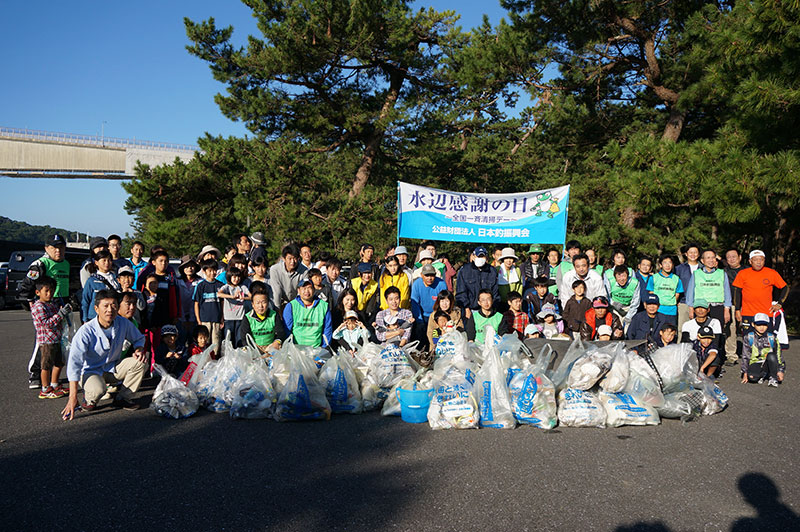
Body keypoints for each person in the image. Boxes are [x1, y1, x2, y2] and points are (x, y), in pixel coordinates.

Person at [62, 289, 148, 418]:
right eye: (105, 306)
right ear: (96, 309)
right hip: (90, 370)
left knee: (141, 361)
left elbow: (139, 338)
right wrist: (72, 397)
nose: (110, 310)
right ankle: (89, 399)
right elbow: (74, 364)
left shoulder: (123, 323)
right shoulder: (85, 331)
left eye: (114, 305)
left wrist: (139, 349)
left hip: (112, 367)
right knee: (98, 390)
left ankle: (122, 398)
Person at [17, 234, 72, 389]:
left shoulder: (66, 263)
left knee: (59, 343)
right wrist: (32, 304)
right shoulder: (40, 264)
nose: (58, 250)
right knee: (43, 343)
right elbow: (27, 286)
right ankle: (35, 375)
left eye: (61, 247)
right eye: (54, 247)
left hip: (61, 306)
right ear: (47, 248)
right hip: (46, 306)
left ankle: (53, 380)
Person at [30, 276, 72, 398]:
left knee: (60, 362)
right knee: (46, 365)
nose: (50, 294)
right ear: (38, 292)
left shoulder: (52, 304)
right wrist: (60, 314)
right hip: (47, 341)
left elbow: (59, 319)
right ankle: (45, 388)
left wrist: (64, 312)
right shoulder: (38, 306)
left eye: (52, 291)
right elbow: (47, 324)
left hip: (57, 339)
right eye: (46, 291)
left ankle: (54, 384)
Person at [733, 250, 788, 335]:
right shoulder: (742, 273)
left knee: (766, 342)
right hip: (748, 313)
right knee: (749, 341)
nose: (759, 262)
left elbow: (785, 288)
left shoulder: (771, 273)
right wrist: (737, 309)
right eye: (755, 260)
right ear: (750, 261)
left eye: (761, 260)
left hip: (766, 313)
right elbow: (737, 292)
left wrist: (779, 303)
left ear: (764, 261)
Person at [283, 278, 333, 348]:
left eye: (309, 288)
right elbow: (287, 330)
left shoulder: (323, 306)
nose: (307, 291)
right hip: (297, 349)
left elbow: (327, 329)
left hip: (317, 349)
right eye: (304, 288)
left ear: (314, 290)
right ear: (299, 290)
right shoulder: (291, 306)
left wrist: (324, 348)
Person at [240, 281, 284, 353]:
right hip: (254, 347)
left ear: (268, 303)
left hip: (271, 347)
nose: (261, 306)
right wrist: (253, 347)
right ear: (253, 304)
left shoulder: (274, 315)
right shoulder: (248, 317)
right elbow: (244, 337)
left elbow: (281, 333)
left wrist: (276, 343)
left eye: (263, 302)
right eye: (257, 303)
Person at [741, 313, 784, 387]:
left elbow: (779, 355)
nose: (762, 327)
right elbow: (745, 356)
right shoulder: (748, 337)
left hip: (768, 362)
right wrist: (745, 372)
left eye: (764, 325)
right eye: (758, 325)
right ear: (753, 324)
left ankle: (773, 378)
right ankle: (763, 374)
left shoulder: (772, 338)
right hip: (755, 362)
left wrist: (780, 370)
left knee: (772, 356)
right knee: (752, 378)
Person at [455, 246, 499, 316]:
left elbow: (495, 292)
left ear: (487, 258)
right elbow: (461, 291)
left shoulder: (492, 271)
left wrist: (493, 308)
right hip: (470, 310)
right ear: (473, 257)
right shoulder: (465, 270)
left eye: (482, 256)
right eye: (478, 256)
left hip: (488, 309)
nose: (480, 259)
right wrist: (466, 308)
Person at [411, 264, 448, 348]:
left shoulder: (441, 284)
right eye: (427, 275)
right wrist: (419, 320)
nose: (429, 278)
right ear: (422, 275)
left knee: (435, 335)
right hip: (422, 314)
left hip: (436, 314)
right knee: (420, 332)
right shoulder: (417, 284)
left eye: (432, 275)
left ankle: (435, 349)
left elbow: (444, 301)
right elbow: (415, 303)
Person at [193, 259, 224, 354]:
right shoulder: (201, 286)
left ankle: (214, 362)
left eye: (214, 270)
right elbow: (196, 303)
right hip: (204, 319)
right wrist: (198, 320)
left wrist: (222, 318)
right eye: (209, 270)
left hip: (216, 319)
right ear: (204, 271)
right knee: (205, 342)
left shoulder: (221, 286)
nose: (212, 273)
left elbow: (223, 303)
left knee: (216, 343)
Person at [81, 250, 120, 322]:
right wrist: (85, 319)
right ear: (96, 262)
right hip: (94, 318)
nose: (107, 263)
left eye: (109, 260)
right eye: (104, 260)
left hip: (112, 317)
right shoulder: (92, 281)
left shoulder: (116, 279)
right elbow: (85, 301)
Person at [646, 254, 684, 325]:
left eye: (670, 262)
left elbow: (677, 294)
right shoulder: (654, 278)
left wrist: (670, 302)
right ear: (660, 265)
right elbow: (651, 293)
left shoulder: (677, 279)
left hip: (671, 310)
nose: (667, 265)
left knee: (670, 332)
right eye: (665, 262)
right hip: (658, 309)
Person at [217, 266, 251, 346]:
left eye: (238, 277)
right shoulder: (226, 287)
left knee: (239, 338)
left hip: (240, 317)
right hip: (228, 318)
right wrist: (232, 297)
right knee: (229, 339)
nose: (237, 279)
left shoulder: (242, 287)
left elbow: (251, 296)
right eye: (234, 277)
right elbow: (219, 294)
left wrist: (244, 298)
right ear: (230, 277)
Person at [723, 248, 746, 364]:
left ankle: (752, 354)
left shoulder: (747, 270)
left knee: (749, 329)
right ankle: (731, 355)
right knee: (731, 330)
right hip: (731, 304)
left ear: (740, 257)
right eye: (729, 257)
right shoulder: (724, 272)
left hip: (747, 304)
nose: (731, 259)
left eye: (734, 256)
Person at [269, 244, 308, 311]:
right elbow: (276, 291)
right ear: (284, 258)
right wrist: (276, 310)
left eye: (295, 258)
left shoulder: (304, 271)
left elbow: (302, 292)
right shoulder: (274, 269)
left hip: (297, 303)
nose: (292, 262)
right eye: (289, 258)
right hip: (280, 302)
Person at [675, 242, 701, 331]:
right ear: (686, 254)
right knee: (682, 329)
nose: (693, 255)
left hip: (701, 304)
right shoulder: (679, 269)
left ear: (699, 254)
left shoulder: (703, 268)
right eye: (690, 252)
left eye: (695, 252)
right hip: (683, 303)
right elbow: (675, 286)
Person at [605, 265, 640, 329]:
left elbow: (636, 301)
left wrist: (629, 316)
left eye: (624, 276)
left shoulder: (635, 283)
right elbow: (607, 296)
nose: (621, 279)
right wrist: (613, 304)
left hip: (629, 307)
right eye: (619, 276)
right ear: (615, 277)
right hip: (614, 307)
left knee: (628, 329)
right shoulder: (610, 281)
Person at [177, 255, 201, 331]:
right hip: (180, 317)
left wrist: (192, 319)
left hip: (195, 318)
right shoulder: (177, 281)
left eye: (192, 266)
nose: (189, 268)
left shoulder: (200, 282)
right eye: (186, 266)